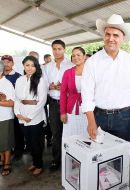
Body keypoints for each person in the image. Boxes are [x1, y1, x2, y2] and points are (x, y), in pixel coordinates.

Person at [81, 14, 130, 165]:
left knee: (120, 157)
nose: (111, 38)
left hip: (124, 117)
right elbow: (87, 93)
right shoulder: (92, 62)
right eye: (108, 34)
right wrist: (91, 121)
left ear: (122, 38)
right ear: (103, 36)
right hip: (99, 116)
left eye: (115, 35)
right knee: (100, 157)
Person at [14, 56, 47, 176]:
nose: (30, 68)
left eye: (33, 65)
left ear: (36, 67)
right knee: (28, 141)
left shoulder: (41, 80)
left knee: (36, 142)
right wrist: (17, 112)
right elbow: (16, 98)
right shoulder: (19, 80)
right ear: (23, 66)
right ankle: (34, 162)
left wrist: (31, 116)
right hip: (22, 115)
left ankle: (39, 165)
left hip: (35, 116)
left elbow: (42, 101)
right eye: (27, 65)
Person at [44, 40, 73, 171]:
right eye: (54, 49)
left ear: (64, 49)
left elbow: (74, 84)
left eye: (59, 49)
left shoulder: (70, 65)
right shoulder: (47, 66)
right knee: (56, 133)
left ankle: (71, 159)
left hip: (68, 103)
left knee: (70, 132)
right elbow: (44, 83)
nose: (57, 51)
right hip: (54, 103)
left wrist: (64, 87)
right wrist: (49, 85)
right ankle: (56, 160)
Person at [60, 47, 88, 138]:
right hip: (71, 110)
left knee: (86, 135)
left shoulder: (91, 71)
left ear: (84, 56)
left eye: (78, 55)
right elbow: (63, 93)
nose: (76, 57)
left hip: (88, 110)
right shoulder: (67, 73)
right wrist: (63, 112)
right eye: (73, 55)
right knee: (70, 136)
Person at [1, 55, 23, 160]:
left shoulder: (18, 76)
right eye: (3, 62)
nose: (6, 64)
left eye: (8, 62)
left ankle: (18, 150)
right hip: (3, 109)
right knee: (6, 133)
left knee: (17, 130)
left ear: (13, 63)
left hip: (14, 108)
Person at [0, 67, 15, 176]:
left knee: (6, 141)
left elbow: (12, 103)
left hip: (4, 117)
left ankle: (7, 162)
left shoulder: (7, 84)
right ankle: (1, 159)